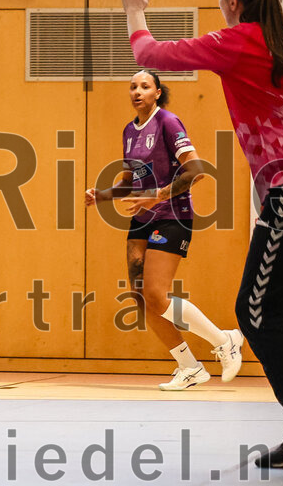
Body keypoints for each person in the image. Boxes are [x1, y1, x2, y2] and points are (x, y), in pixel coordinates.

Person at [113, 0, 283, 468]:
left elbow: (150, 53)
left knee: (255, 313)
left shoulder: (239, 42)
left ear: (233, 2)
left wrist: (134, 10)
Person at [85, 70, 243, 390]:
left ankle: (224, 339)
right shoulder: (130, 130)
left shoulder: (168, 122)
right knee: (142, 298)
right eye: (132, 86)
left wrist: (159, 194)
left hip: (174, 214)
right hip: (142, 218)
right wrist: (102, 195)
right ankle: (189, 366)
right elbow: (130, 183)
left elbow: (196, 170)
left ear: (158, 92)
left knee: (156, 293)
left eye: (145, 86)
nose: (137, 91)